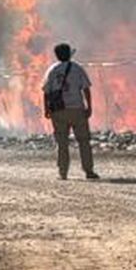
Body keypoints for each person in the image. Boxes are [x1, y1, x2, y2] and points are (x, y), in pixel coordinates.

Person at [42, 43, 98, 180]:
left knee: (62, 143)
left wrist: (46, 109)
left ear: (57, 55)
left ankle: (63, 172)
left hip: (59, 110)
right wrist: (89, 107)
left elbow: (46, 91)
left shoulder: (52, 70)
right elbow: (86, 89)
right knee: (84, 141)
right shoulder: (77, 68)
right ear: (69, 53)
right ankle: (88, 170)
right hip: (77, 109)